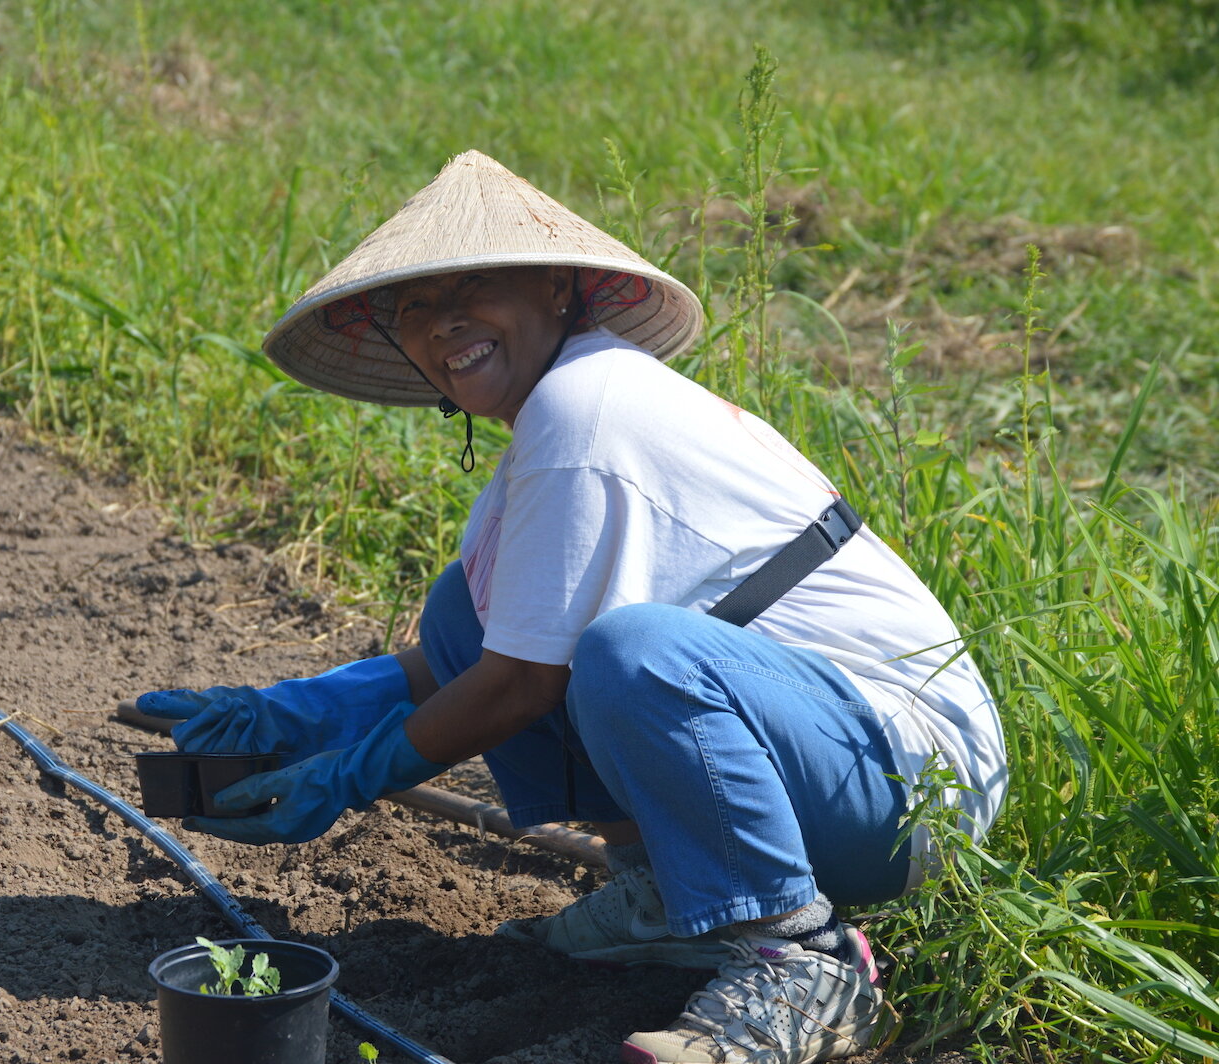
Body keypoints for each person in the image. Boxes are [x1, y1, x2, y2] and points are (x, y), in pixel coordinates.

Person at [129, 150, 1007, 1064]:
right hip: (828, 752)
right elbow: (472, 657)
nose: (443, 324)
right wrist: (292, 714)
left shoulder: (582, 410)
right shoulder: (567, 411)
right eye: (417, 309)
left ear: (556, 287)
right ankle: (665, 897)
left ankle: (805, 963)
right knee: (466, 609)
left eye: (475, 284)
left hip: (909, 787)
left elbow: (516, 689)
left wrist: (351, 777)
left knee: (637, 654)